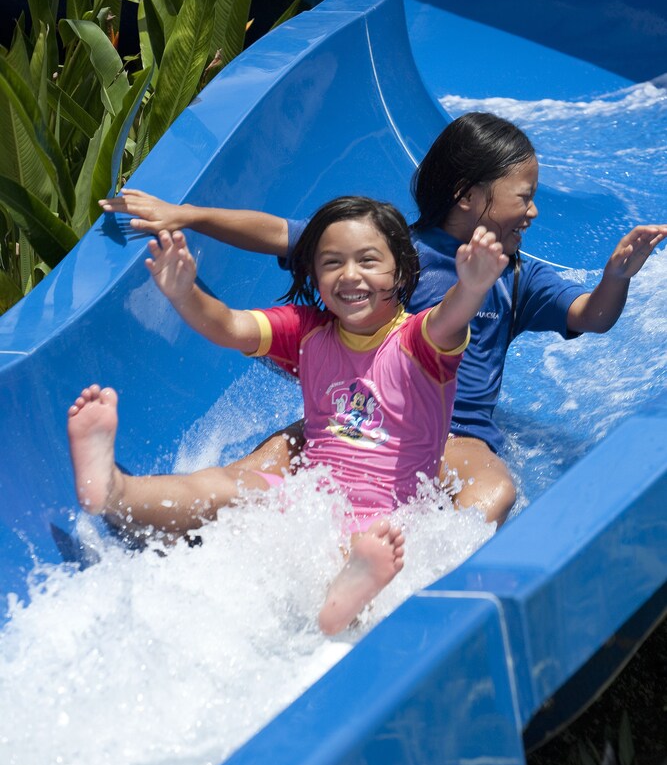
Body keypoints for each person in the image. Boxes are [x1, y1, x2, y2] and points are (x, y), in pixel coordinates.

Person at [99, 112, 667, 526]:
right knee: (251, 472)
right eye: (524, 196)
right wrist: (186, 215)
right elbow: (279, 231)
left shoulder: (516, 275)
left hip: (451, 431)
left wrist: (615, 278)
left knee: (490, 490)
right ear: (469, 196)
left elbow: (590, 317)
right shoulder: (383, 253)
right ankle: (142, 504)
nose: (534, 210)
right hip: (351, 415)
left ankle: (420, 568)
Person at [69, 196, 508, 635]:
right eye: (332, 262)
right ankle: (113, 490)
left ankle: (345, 600)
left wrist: (471, 286)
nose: (350, 275)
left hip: (389, 518)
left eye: (368, 261)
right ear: (314, 274)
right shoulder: (306, 329)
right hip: (309, 499)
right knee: (223, 485)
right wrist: (184, 294)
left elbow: (451, 316)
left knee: (368, 549)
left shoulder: (420, 341)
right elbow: (227, 326)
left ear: (402, 270)